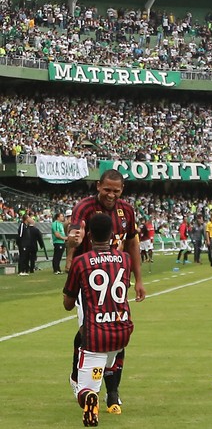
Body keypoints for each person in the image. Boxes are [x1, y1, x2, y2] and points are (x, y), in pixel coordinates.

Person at [65, 169, 145, 415]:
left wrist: (139, 279)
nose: (111, 194)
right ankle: (91, 385)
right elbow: (75, 235)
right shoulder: (84, 208)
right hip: (87, 282)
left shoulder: (127, 211)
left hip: (116, 278)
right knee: (90, 333)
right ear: (98, 186)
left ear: (122, 191)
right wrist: (71, 247)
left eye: (116, 191)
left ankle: (107, 391)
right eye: (107, 189)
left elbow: (132, 242)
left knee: (113, 332)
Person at [63, 213, 135, 427]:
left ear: (90, 234)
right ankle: (111, 394)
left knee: (84, 390)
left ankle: (90, 398)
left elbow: (68, 304)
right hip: (122, 331)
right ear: (113, 233)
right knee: (108, 363)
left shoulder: (81, 262)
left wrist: (74, 248)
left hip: (96, 334)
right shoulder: (125, 259)